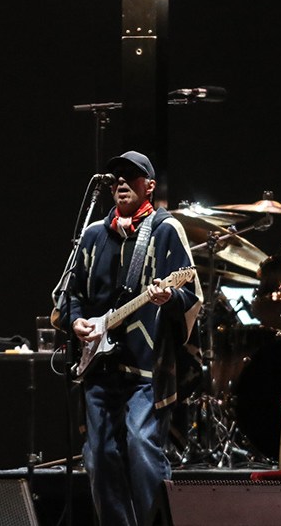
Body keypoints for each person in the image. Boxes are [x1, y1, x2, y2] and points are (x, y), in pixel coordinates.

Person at [59, 151, 203, 526]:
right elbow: (70, 296)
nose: (121, 181)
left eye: (130, 175)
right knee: (98, 457)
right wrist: (77, 322)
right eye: (115, 176)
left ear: (149, 185)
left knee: (141, 445)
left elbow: (191, 295)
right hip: (99, 366)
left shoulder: (165, 229)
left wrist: (169, 296)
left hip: (147, 368)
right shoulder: (93, 235)